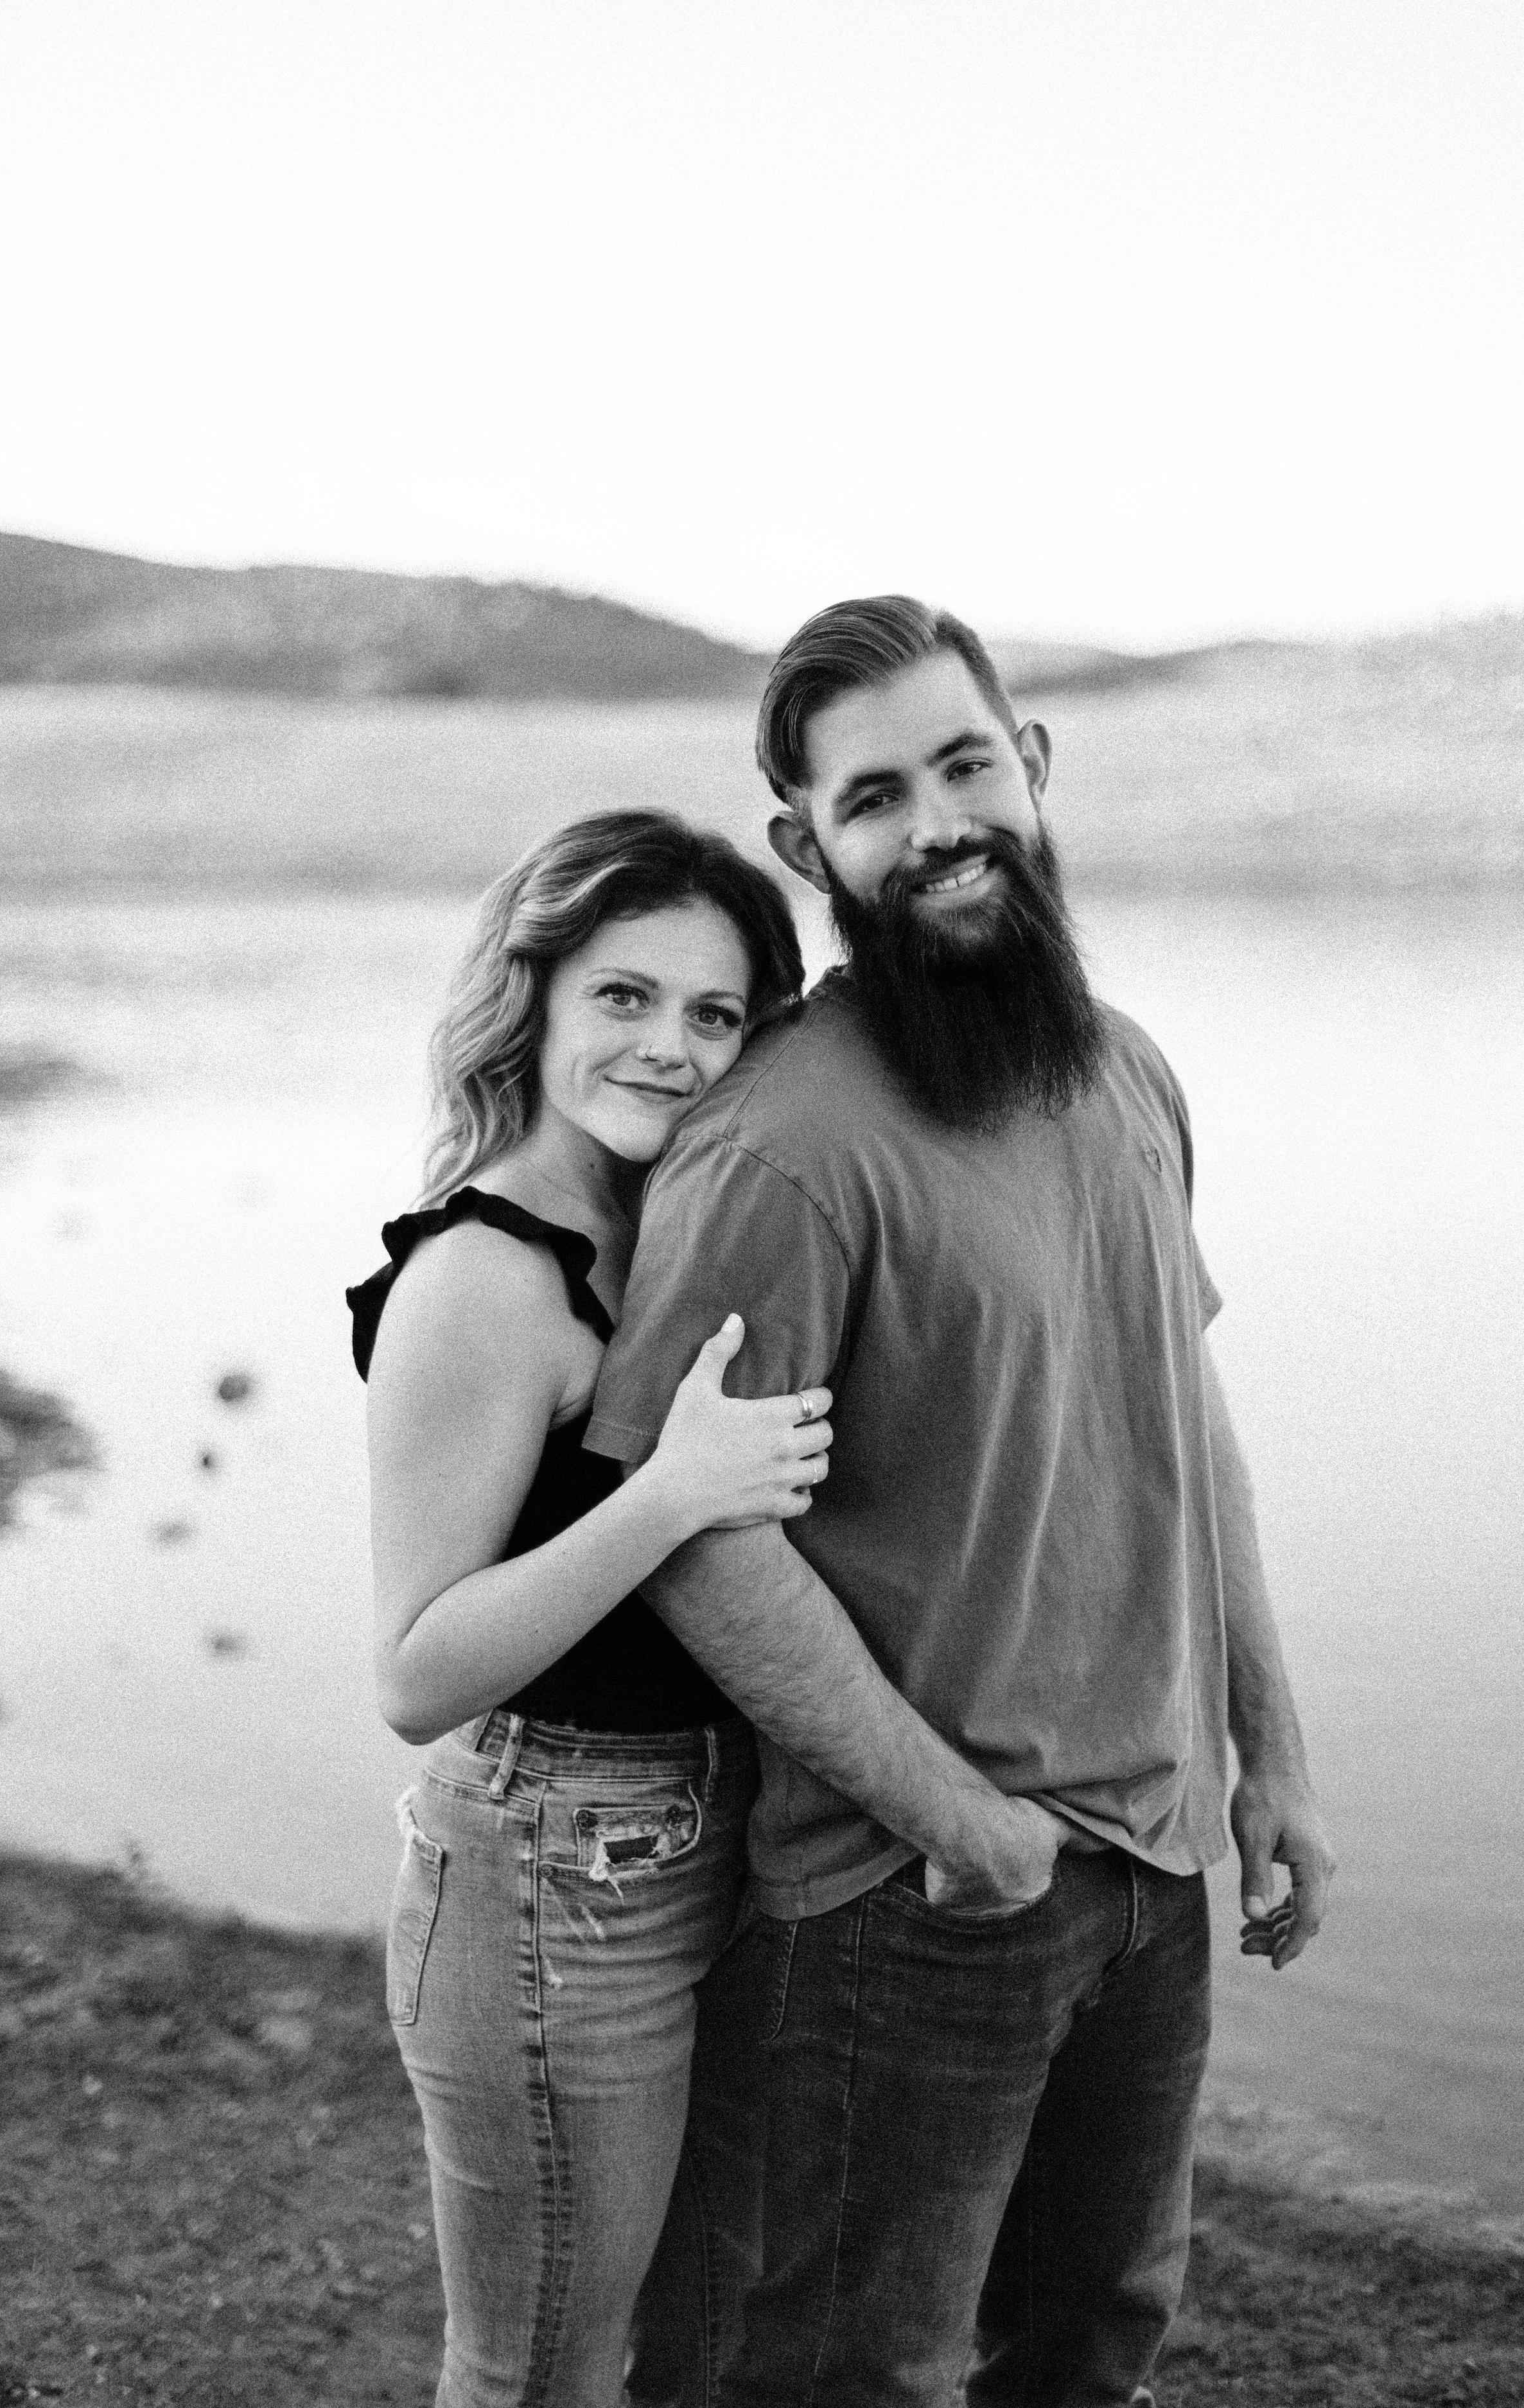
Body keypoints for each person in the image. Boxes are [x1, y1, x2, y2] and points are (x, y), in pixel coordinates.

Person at [583, 599, 1337, 2407]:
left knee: (1094, 2335)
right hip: (909, 1900)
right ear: (806, 850)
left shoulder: (1125, 1071)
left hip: (1152, 1860)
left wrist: (1269, 1749)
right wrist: (964, 1824)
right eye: (874, 799)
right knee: (864, 2374)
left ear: (1033, 766)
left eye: (963, 764)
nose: (935, 825)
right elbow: (697, 1531)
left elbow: (1181, 1414)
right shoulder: (780, 1145)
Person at [346, 809, 837, 2408]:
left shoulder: (664, 1225)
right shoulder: (487, 1274)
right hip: (552, 1875)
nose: (668, 1047)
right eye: (623, 996)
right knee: (539, 2372)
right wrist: (669, 1493)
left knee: (693, 2347)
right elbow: (417, 1671)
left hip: (718, 1838)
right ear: (534, 998)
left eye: (714, 1013)